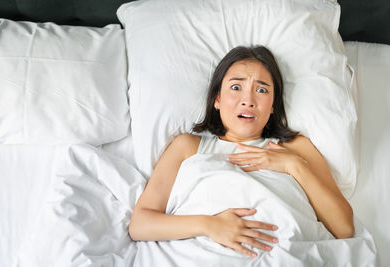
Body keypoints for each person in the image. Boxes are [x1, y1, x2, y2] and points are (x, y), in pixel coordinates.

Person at [128, 45, 354, 258]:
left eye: (262, 90)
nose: (248, 100)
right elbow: (140, 225)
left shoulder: (296, 148)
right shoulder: (188, 146)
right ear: (217, 99)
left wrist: (293, 166)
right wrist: (209, 225)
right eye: (236, 87)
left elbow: (344, 228)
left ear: (273, 105)